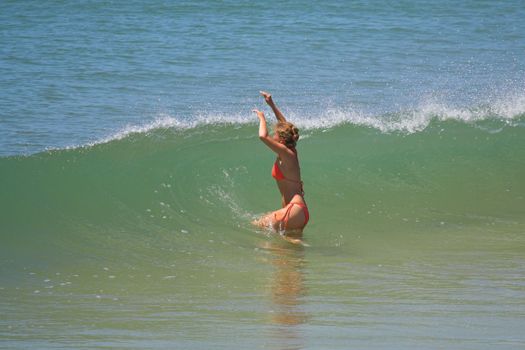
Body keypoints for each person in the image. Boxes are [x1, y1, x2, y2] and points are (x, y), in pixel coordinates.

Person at [252, 91, 310, 239]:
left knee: (257, 225)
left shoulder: (286, 152)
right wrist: (272, 104)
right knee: (288, 256)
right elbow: (285, 126)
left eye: (276, 135)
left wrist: (262, 118)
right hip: (298, 211)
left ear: (282, 141)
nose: (273, 136)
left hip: (294, 210)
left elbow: (262, 136)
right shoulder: (290, 152)